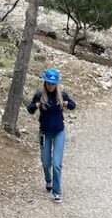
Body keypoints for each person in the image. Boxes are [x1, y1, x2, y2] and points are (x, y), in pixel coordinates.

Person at [27, 68, 76, 202]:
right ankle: (48, 180)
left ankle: (57, 191)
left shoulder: (62, 95)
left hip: (59, 133)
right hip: (44, 133)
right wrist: (36, 106)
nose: (50, 86)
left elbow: (73, 105)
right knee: (46, 162)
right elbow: (29, 109)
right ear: (45, 82)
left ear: (56, 84)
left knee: (56, 163)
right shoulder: (39, 95)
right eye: (48, 83)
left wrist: (67, 104)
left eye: (53, 84)